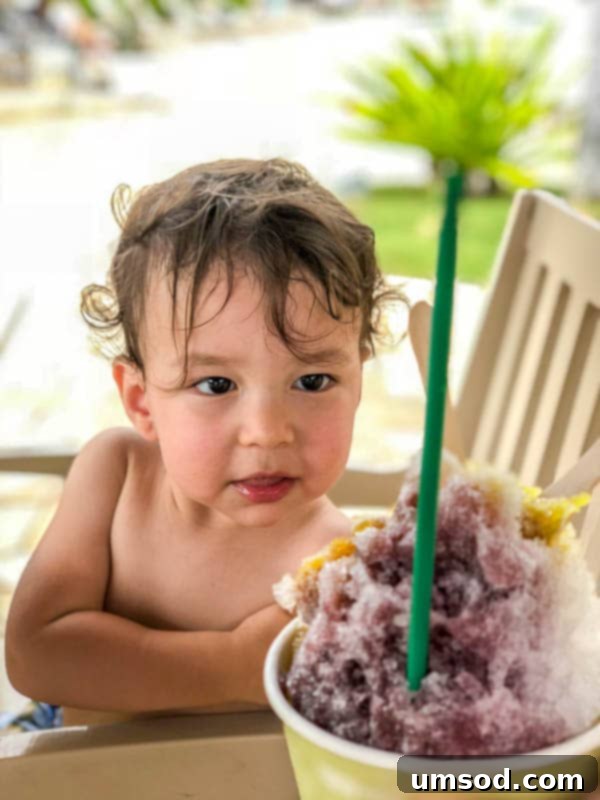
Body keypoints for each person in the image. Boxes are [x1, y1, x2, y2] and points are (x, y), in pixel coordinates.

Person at [5, 158, 404, 726]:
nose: (267, 431)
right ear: (142, 401)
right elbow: (33, 654)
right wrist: (236, 664)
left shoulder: (329, 564)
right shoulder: (114, 475)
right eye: (216, 384)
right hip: (59, 755)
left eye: (312, 381)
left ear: (357, 382)